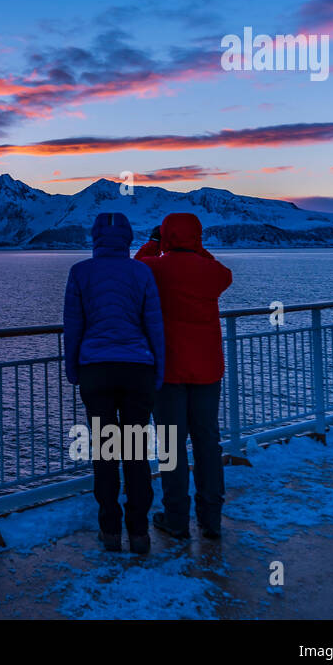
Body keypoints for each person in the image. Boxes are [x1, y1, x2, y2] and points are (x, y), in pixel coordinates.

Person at [64, 212, 165, 555]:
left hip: (96, 371)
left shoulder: (80, 273)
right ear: (127, 237)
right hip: (138, 371)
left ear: (94, 237)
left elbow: (73, 327)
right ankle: (139, 532)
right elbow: (155, 328)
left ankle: (110, 531)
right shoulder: (142, 271)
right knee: (136, 453)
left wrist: (73, 369)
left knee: (106, 453)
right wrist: (159, 370)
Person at [136, 213, 233, 540]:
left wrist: (154, 243)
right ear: (197, 237)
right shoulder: (213, 273)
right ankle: (211, 519)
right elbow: (222, 272)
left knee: (171, 447)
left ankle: (176, 518)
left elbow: (138, 266)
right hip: (207, 370)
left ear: (166, 236)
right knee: (207, 443)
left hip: (169, 372)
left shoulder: (156, 268)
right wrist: (197, 250)